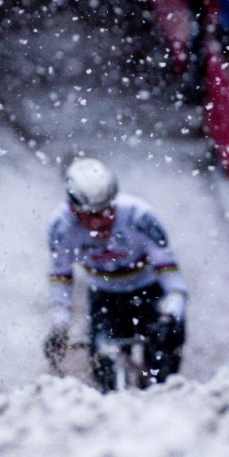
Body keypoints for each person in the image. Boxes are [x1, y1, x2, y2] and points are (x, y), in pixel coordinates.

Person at [44, 158, 187, 391]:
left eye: (108, 210)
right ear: (73, 210)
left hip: (150, 292)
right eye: (92, 214)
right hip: (105, 297)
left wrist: (169, 316)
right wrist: (59, 326)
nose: (102, 221)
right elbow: (61, 280)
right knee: (104, 368)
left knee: (164, 365)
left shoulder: (140, 217)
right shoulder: (61, 227)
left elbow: (174, 282)